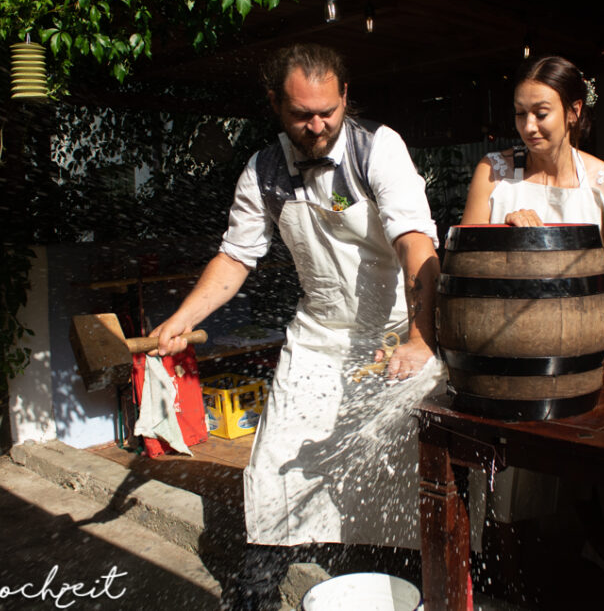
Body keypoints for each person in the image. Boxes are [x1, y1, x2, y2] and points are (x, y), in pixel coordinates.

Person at [151, 43, 445, 609]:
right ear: (274, 105)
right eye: (300, 115)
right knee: (275, 462)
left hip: (396, 335)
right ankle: (258, 589)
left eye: (327, 112)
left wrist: (420, 338)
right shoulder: (262, 170)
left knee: (411, 465)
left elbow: (415, 242)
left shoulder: (378, 149)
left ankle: (420, 578)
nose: (316, 126)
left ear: (344, 99)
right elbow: (236, 257)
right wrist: (181, 319)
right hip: (317, 336)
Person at [460, 55, 604, 587]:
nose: (528, 127)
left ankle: (575, 549)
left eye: (542, 113)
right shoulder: (494, 171)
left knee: (571, 453)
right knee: (500, 465)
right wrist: (508, 224)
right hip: (501, 343)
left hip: (577, 344)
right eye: (520, 114)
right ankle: (501, 575)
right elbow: (466, 259)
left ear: (574, 111)